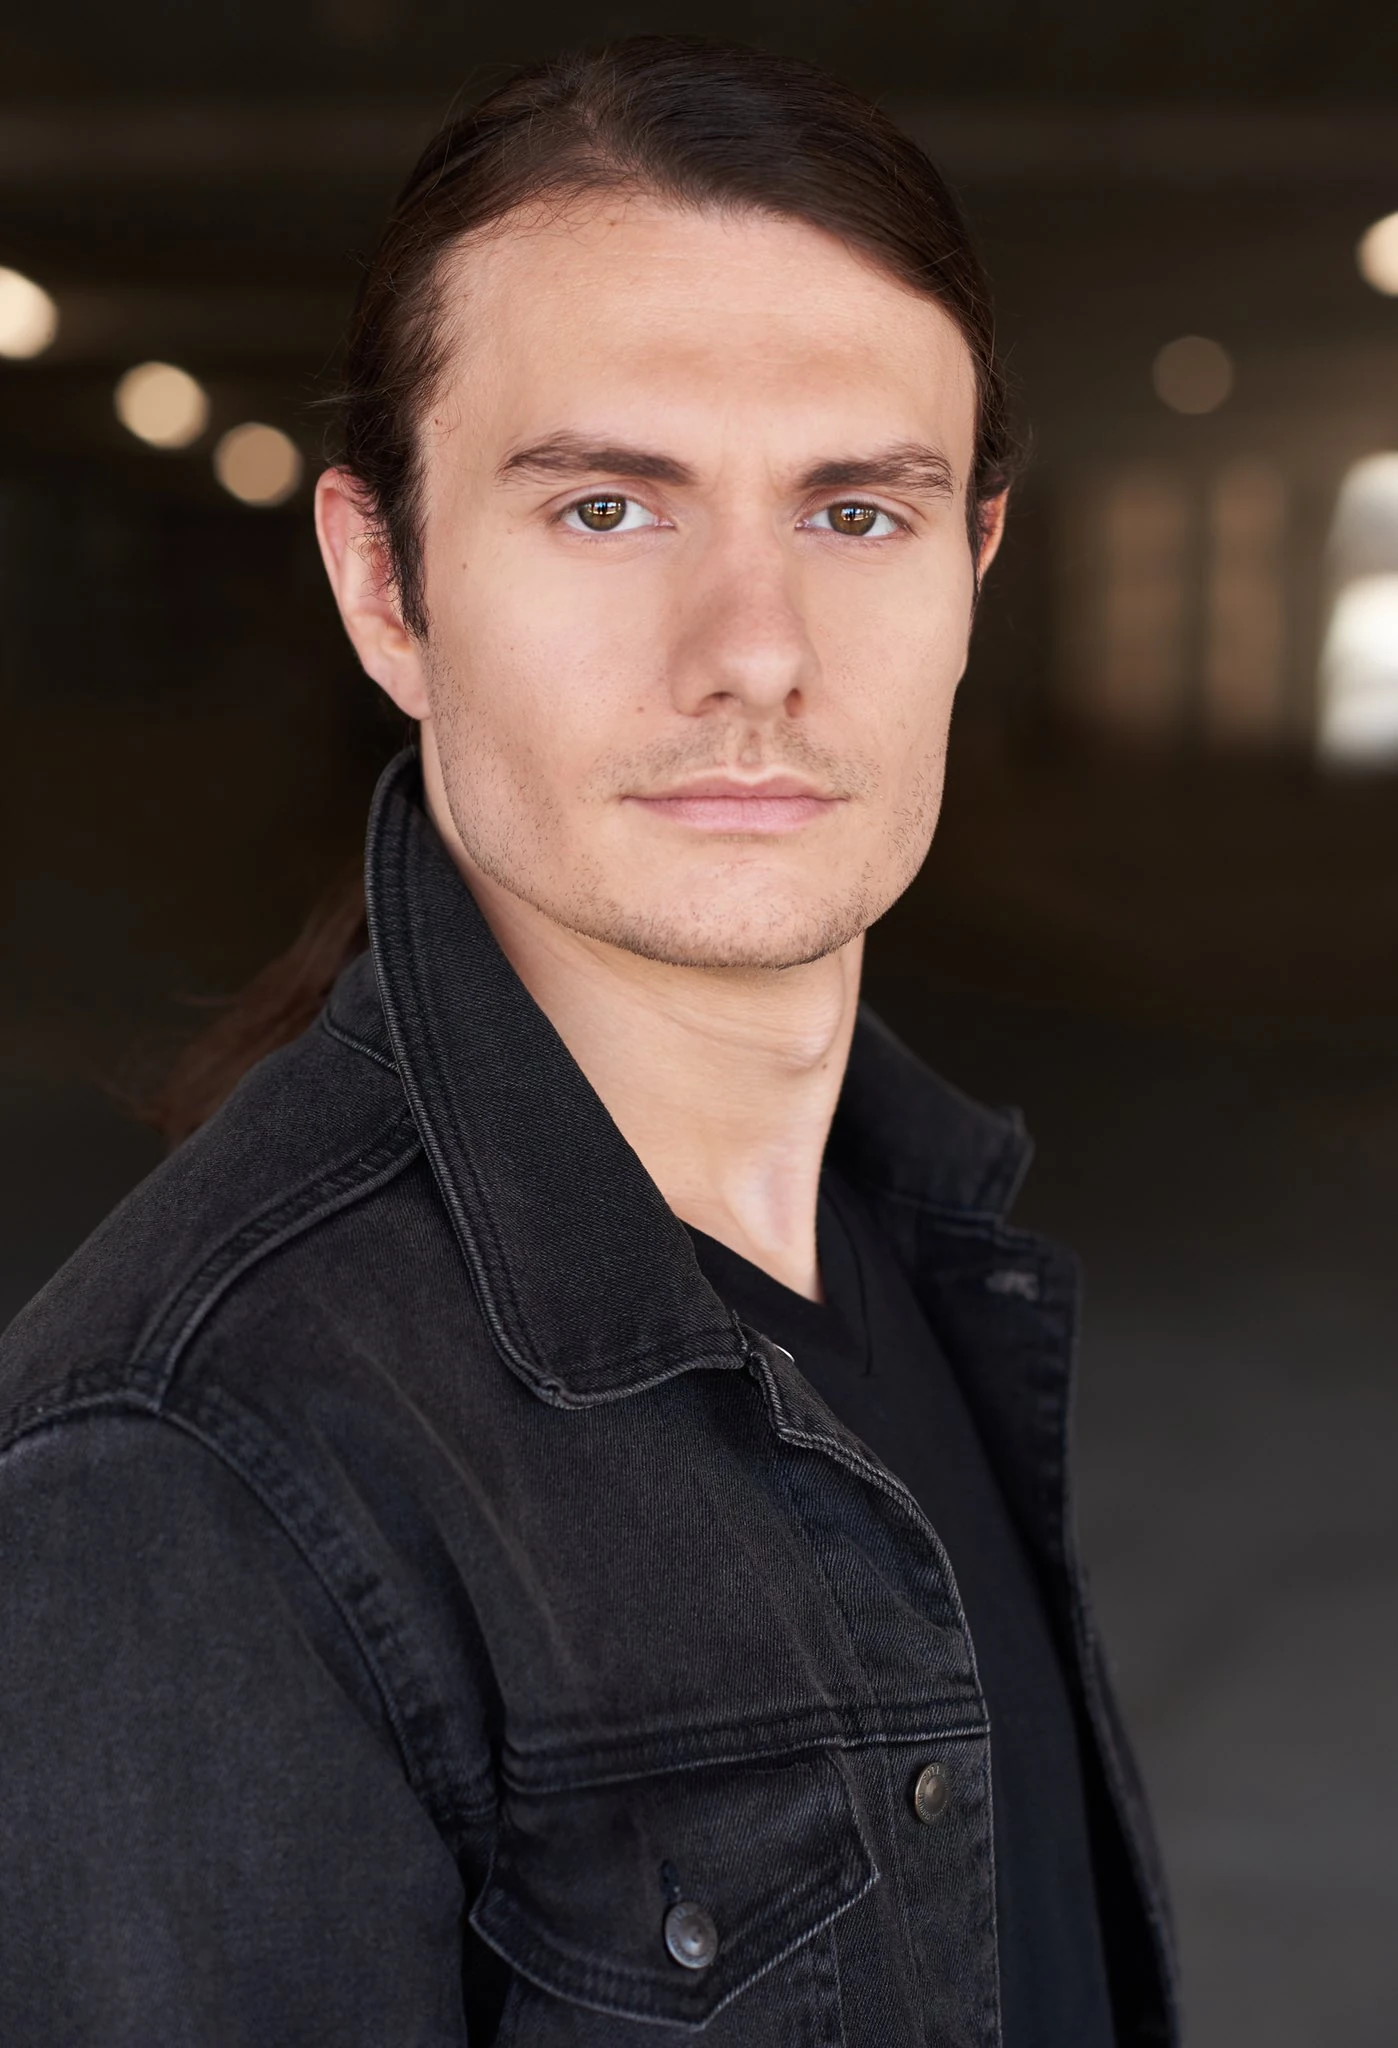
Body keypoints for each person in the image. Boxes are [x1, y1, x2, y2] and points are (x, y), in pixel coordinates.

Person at [0, 38, 1176, 2047]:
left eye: (856, 513)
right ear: (386, 586)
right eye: (610, 506)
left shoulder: (919, 1241)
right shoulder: (180, 1477)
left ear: (974, 570)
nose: (752, 650)